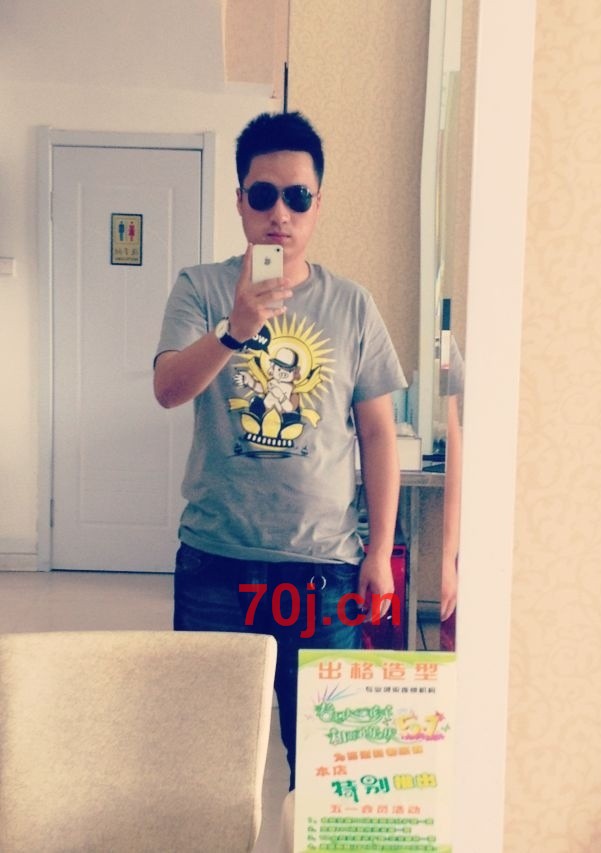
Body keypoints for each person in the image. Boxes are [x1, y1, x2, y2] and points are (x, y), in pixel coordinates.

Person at [153, 111, 405, 789]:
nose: (279, 214)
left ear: (318, 204)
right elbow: (168, 389)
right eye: (263, 195)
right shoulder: (200, 288)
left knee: (326, 773)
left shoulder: (353, 305)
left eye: (297, 196)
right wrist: (234, 329)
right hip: (217, 562)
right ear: (240, 200)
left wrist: (380, 552)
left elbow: (378, 434)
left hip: (323, 570)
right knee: (210, 767)